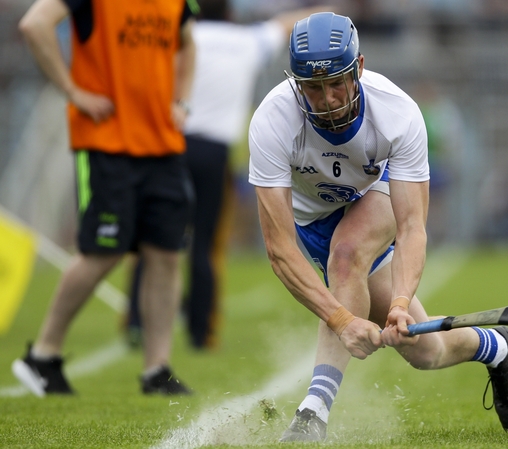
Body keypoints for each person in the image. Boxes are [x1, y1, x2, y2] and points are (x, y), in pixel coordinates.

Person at [249, 12, 508, 442]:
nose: (325, 99)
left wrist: (400, 299)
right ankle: (495, 347)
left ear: (358, 69)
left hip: (372, 195)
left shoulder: (397, 113)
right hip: (312, 224)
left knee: (346, 256)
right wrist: (344, 320)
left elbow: (412, 225)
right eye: (312, 87)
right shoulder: (272, 121)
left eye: (336, 84)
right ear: (296, 84)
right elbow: (279, 250)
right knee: (426, 352)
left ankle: (312, 413)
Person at [124, 0, 334, 351]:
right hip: (214, 155)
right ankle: (200, 330)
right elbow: (283, 25)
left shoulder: (180, 33)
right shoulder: (245, 41)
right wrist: (328, 9)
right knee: (206, 244)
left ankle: (136, 322)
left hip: (170, 143)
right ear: (230, 12)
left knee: (155, 239)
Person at [11, 0, 197, 396]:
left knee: (165, 253)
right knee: (103, 251)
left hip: (163, 145)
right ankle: (43, 356)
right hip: (107, 145)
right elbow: (34, 24)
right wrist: (72, 91)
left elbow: (187, 43)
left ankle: (157, 370)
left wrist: (181, 101)